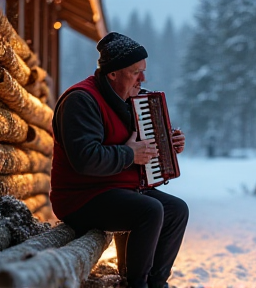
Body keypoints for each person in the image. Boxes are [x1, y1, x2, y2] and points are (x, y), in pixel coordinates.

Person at [50, 32, 189, 288]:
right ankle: (134, 283)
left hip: (117, 190)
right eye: (135, 72)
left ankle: (156, 283)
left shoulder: (131, 100)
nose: (143, 78)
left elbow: (138, 145)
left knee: (176, 210)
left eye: (143, 71)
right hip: (81, 197)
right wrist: (129, 154)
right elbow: (85, 159)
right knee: (149, 210)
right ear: (112, 73)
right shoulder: (81, 100)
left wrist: (167, 145)